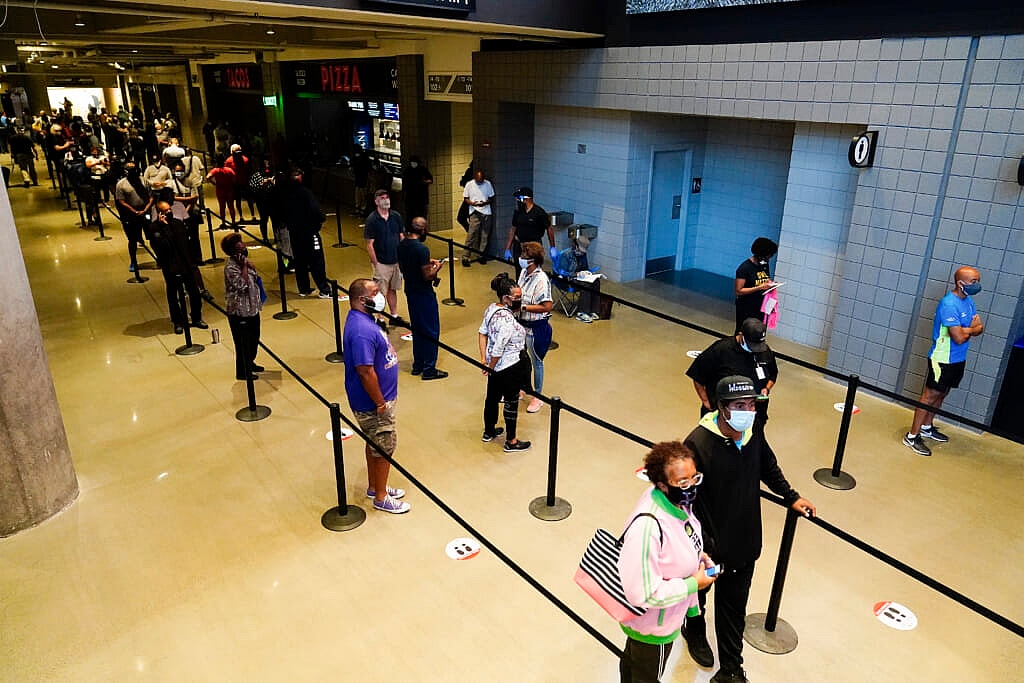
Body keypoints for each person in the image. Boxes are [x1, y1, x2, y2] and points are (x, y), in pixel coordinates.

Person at [681, 375, 816, 683]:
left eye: (752, 404)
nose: (748, 411)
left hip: (744, 543)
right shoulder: (698, 443)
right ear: (721, 407)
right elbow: (686, 501)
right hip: (709, 551)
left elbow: (767, 465)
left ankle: (731, 670)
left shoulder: (753, 432)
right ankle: (695, 631)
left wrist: (791, 496)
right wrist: (700, 545)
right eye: (740, 405)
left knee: (733, 610)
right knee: (699, 598)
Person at [618, 441, 718, 683]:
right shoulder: (649, 527)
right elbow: (643, 593)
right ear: (662, 485)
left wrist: (698, 554)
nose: (691, 487)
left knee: (633, 669)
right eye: (683, 482)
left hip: (662, 618)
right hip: (654, 627)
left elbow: (681, 536)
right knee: (644, 674)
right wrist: (693, 584)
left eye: (695, 478)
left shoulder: (676, 503)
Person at [343, 278, 410, 514]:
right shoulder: (361, 330)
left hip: (378, 399)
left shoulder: (365, 320)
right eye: (374, 292)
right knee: (384, 447)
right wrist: (380, 402)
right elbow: (365, 370)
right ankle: (381, 497)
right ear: (362, 299)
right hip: (373, 404)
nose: (380, 295)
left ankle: (375, 486)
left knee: (374, 443)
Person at [903, 266, 985, 456]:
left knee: (942, 394)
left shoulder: (969, 301)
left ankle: (926, 426)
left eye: (978, 280)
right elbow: (958, 337)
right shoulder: (949, 304)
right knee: (930, 395)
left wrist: (968, 330)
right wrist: (970, 329)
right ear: (960, 283)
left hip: (958, 358)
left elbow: (980, 328)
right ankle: (912, 436)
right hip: (942, 359)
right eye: (974, 281)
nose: (977, 285)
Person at [685, 318, 778, 432]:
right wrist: (706, 402)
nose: (755, 349)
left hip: (753, 415)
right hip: (723, 415)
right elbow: (697, 375)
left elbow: (773, 374)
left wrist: (766, 388)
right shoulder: (721, 350)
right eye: (752, 344)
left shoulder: (764, 351)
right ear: (741, 335)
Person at [478, 273, 531, 452]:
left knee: (491, 398)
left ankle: (489, 430)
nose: (520, 301)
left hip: (495, 367)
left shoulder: (491, 308)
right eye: (517, 298)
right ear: (506, 298)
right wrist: (490, 367)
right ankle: (512, 441)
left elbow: (482, 333)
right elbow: (499, 349)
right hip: (509, 366)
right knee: (511, 401)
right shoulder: (508, 322)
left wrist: (484, 361)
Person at [396, 217, 447, 380]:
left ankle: (417, 365)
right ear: (423, 230)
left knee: (417, 328)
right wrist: (437, 267)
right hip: (424, 293)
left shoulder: (402, 245)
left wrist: (425, 262)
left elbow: (409, 265)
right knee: (431, 330)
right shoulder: (421, 249)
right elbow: (427, 275)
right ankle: (429, 369)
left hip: (410, 290)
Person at [147, 200, 207, 334]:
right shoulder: (154, 228)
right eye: (165, 211)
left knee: (194, 293)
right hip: (170, 266)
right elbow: (163, 245)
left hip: (186, 264)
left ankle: (197, 317)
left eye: (169, 209)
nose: (169, 212)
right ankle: (178, 321)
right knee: (173, 295)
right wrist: (163, 227)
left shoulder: (179, 224)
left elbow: (188, 243)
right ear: (159, 213)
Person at [278, 168, 331, 298]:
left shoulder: (285, 193)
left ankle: (304, 288)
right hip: (309, 231)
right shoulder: (305, 193)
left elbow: (280, 212)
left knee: (300, 260)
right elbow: (315, 211)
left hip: (294, 231)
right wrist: (320, 219)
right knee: (316, 260)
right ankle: (324, 289)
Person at [516, 241, 554, 414]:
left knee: (536, 361)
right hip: (521, 325)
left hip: (536, 328)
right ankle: (521, 387)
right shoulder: (524, 273)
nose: (521, 259)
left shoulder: (541, 279)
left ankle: (538, 396)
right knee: (521, 358)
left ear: (533, 260)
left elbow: (546, 306)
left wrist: (523, 308)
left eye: (524, 257)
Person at [222, 233, 265, 381]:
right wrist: (245, 267)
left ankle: (250, 362)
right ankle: (242, 371)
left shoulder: (244, 261)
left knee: (254, 338)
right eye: (238, 245)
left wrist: (247, 264)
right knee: (242, 343)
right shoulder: (230, 268)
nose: (242, 245)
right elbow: (242, 284)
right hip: (239, 311)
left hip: (252, 307)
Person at [363, 188, 405, 319]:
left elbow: (401, 235)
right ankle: (380, 318)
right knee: (380, 292)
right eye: (382, 198)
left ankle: (394, 315)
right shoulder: (372, 220)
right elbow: (369, 244)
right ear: (376, 202)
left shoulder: (396, 216)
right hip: (382, 262)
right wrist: (377, 264)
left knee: (393, 289)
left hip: (396, 261)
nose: (385, 200)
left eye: (387, 197)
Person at [504, 187, 555, 279]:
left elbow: (549, 228)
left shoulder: (539, 212)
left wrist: (552, 247)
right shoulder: (518, 212)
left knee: (533, 271)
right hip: (519, 245)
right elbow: (513, 229)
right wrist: (508, 248)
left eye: (519, 198)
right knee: (519, 272)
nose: (518, 201)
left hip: (533, 247)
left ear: (526, 199)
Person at [114, 161, 153, 274]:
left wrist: (145, 209)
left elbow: (151, 197)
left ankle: (160, 258)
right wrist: (134, 211)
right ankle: (133, 261)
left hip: (145, 210)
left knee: (153, 236)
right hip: (131, 214)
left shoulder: (144, 181)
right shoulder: (121, 184)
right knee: (132, 240)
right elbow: (121, 201)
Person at [734, 237, 778, 333]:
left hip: (760, 305)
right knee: (744, 332)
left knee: (757, 332)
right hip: (746, 306)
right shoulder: (745, 268)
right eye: (768, 256)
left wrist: (771, 285)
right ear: (761, 254)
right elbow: (738, 291)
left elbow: (765, 280)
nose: (769, 258)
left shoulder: (764, 264)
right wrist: (759, 287)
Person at [461, 168, 495, 266]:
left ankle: (481, 255)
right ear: (475, 178)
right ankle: (465, 256)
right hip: (474, 211)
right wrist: (472, 203)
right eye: (478, 181)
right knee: (471, 234)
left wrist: (485, 203)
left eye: (481, 181)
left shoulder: (487, 184)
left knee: (485, 235)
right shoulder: (469, 184)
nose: (480, 183)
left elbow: (491, 197)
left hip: (486, 212)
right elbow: (466, 198)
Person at [205, 156, 237, 227]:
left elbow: (208, 177)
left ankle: (223, 222)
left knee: (222, 207)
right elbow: (234, 179)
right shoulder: (229, 170)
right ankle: (233, 221)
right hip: (229, 190)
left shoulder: (215, 170)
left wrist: (214, 183)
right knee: (231, 206)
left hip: (220, 190)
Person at [401, 155, 433, 223]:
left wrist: (424, 182)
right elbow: (404, 184)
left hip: (422, 198)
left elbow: (430, 180)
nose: (413, 164)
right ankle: (411, 230)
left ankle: (422, 230)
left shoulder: (423, 170)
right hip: (410, 199)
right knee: (410, 216)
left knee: (422, 216)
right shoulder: (408, 171)